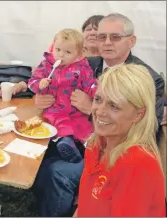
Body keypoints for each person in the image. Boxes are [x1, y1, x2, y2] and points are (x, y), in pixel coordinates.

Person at [33, 13, 166, 217]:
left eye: (115, 37)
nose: (106, 42)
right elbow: (51, 81)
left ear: (132, 41)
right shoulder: (86, 63)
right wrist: (42, 98)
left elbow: (147, 129)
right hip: (85, 142)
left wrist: (89, 108)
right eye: (101, 36)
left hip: (114, 152)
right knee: (39, 155)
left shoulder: (148, 78)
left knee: (56, 171)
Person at [75, 64, 165, 216]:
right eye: (98, 99)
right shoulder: (98, 143)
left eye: (114, 106)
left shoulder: (137, 164)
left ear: (139, 114)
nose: (100, 111)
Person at [28, 28, 97, 163]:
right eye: (58, 50)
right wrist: (40, 84)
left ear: (78, 55)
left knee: (83, 127)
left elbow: (90, 84)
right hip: (54, 109)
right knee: (59, 124)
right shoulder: (46, 65)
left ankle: (82, 150)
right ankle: (65, 143)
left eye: (68, 52)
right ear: (53, 47)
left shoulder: (82, 68)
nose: (61, 55)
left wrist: (97, 92)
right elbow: (32, 82)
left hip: (75, 110)